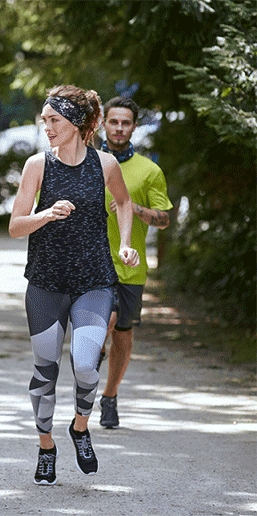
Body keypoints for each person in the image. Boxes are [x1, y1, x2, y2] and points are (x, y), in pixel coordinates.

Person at [8, 85, 139, 486]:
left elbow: (124, 203)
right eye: (45, 120)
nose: (47, 127)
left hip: (94, 282)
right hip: (46, 283)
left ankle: (80, 427)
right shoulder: (37, 166)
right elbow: (15, 227)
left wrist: (128, 243)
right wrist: (46, 214)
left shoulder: (105, 164)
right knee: (45, 371)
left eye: (55, 121)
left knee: (85, 364)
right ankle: (46, 446)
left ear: (78, 124)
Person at [97, 96, 172, 429]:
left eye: (125, 122)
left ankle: (109, 395)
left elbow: (164, 219)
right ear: (103, 123)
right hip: (93, 262)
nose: (118, 128)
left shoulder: (149, 170)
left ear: (134, 127)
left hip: (130, 265)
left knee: (122, 333)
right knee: (104, 323)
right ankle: (88, 368)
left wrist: (131, 207)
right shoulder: (87, 162)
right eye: (113, 121)